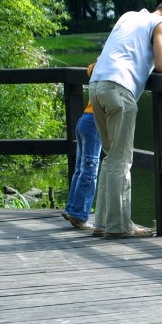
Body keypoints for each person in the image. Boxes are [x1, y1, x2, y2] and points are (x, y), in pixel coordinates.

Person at [89, 1, 162, 239]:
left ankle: (102, 222)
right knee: (121, 161)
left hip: (96, 86)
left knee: (110, 158)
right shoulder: (159, 22)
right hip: (120, 90)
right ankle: (119, 226)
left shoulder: (128, 16)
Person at [61, 63, 101, 230]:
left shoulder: (99, 67)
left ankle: (72, 208)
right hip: (95, 121)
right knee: (90, 169)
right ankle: (79, 214)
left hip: (84, 119)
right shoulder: (112, 68)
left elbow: (90, 68)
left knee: (80, 168)